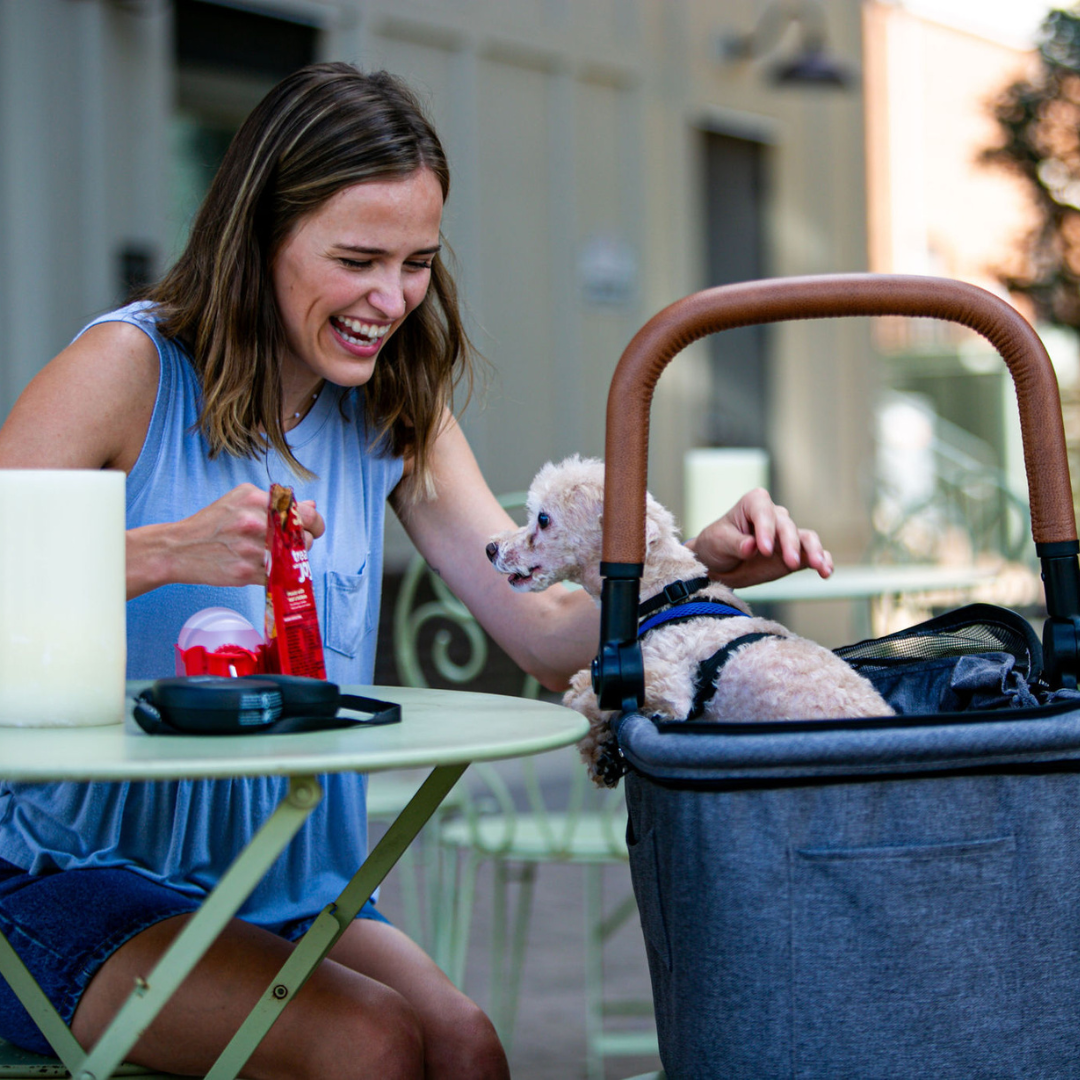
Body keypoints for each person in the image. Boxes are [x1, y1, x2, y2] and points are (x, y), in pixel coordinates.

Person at [0, 63, 832, 1079]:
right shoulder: (126, 369)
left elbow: (541, 633)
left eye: (417, 263)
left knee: (466, 1045)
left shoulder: (392, 413)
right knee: (369, 1044)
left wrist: (689, 570)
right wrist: (163, 553)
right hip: (61, 875)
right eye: (357, 259)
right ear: (258, 234)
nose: (390, 300)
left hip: (284, 880)